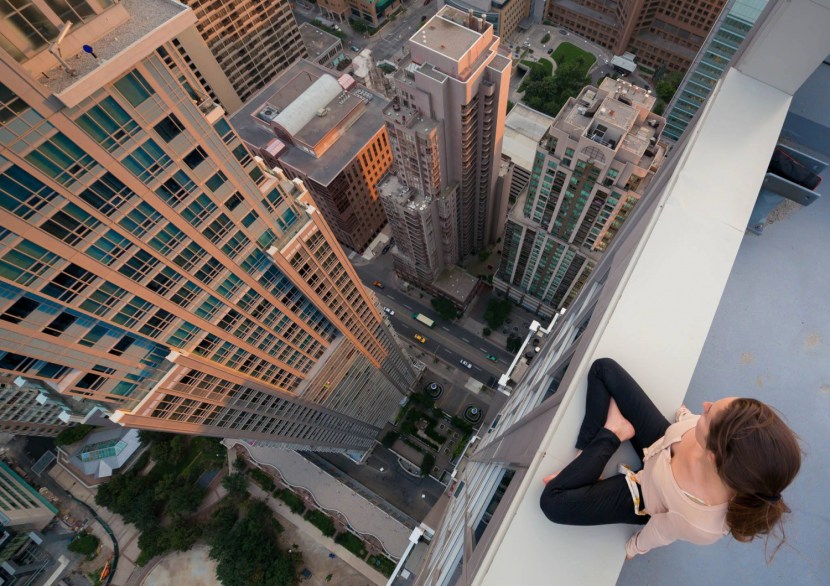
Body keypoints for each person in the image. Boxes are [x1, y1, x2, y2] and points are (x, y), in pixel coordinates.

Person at [539, 358, 801, 559]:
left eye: (709, 415)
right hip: (659, 445)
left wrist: (635, 548)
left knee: (553, 502)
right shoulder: (717, 443)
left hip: (644, 495)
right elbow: (691, 424)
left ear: (712, 454)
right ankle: (587, 456)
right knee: (603, 369)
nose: (706, 405)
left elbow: (660, 531)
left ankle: (614, 432)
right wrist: (686, 420)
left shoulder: (699, 521)